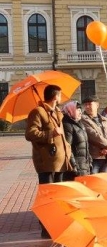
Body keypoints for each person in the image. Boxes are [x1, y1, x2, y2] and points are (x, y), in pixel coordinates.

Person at [25, 84, 73, 237]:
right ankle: (47, 229)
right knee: (48, 198)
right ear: (55, 97)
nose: (61, 98)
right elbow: (30, 134)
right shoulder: (37, 112)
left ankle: (57, 225)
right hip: (46, 163)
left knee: (58, 197)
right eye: (60, 95)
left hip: (60, 162)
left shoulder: (56, 112)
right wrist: (51, 133)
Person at [80, 95, 107, 174]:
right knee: (94, 181)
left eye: (90, 104)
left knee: (105, 181)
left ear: (97, 105)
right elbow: (93, 135)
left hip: (106, 157)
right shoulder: (83, 119)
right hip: (94, 157)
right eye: (85, 105)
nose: (87, 106)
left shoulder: (104, 119)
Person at [62, 101, 91, 178]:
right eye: (77, 110)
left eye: (80, 110)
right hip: (76, 167)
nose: (80, 112)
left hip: (84, 165)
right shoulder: (67, 125)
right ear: (70, 110)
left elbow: (85, 145)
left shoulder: (79, 124)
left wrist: (89, 161)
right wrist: (74, 165)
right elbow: (67, 147)